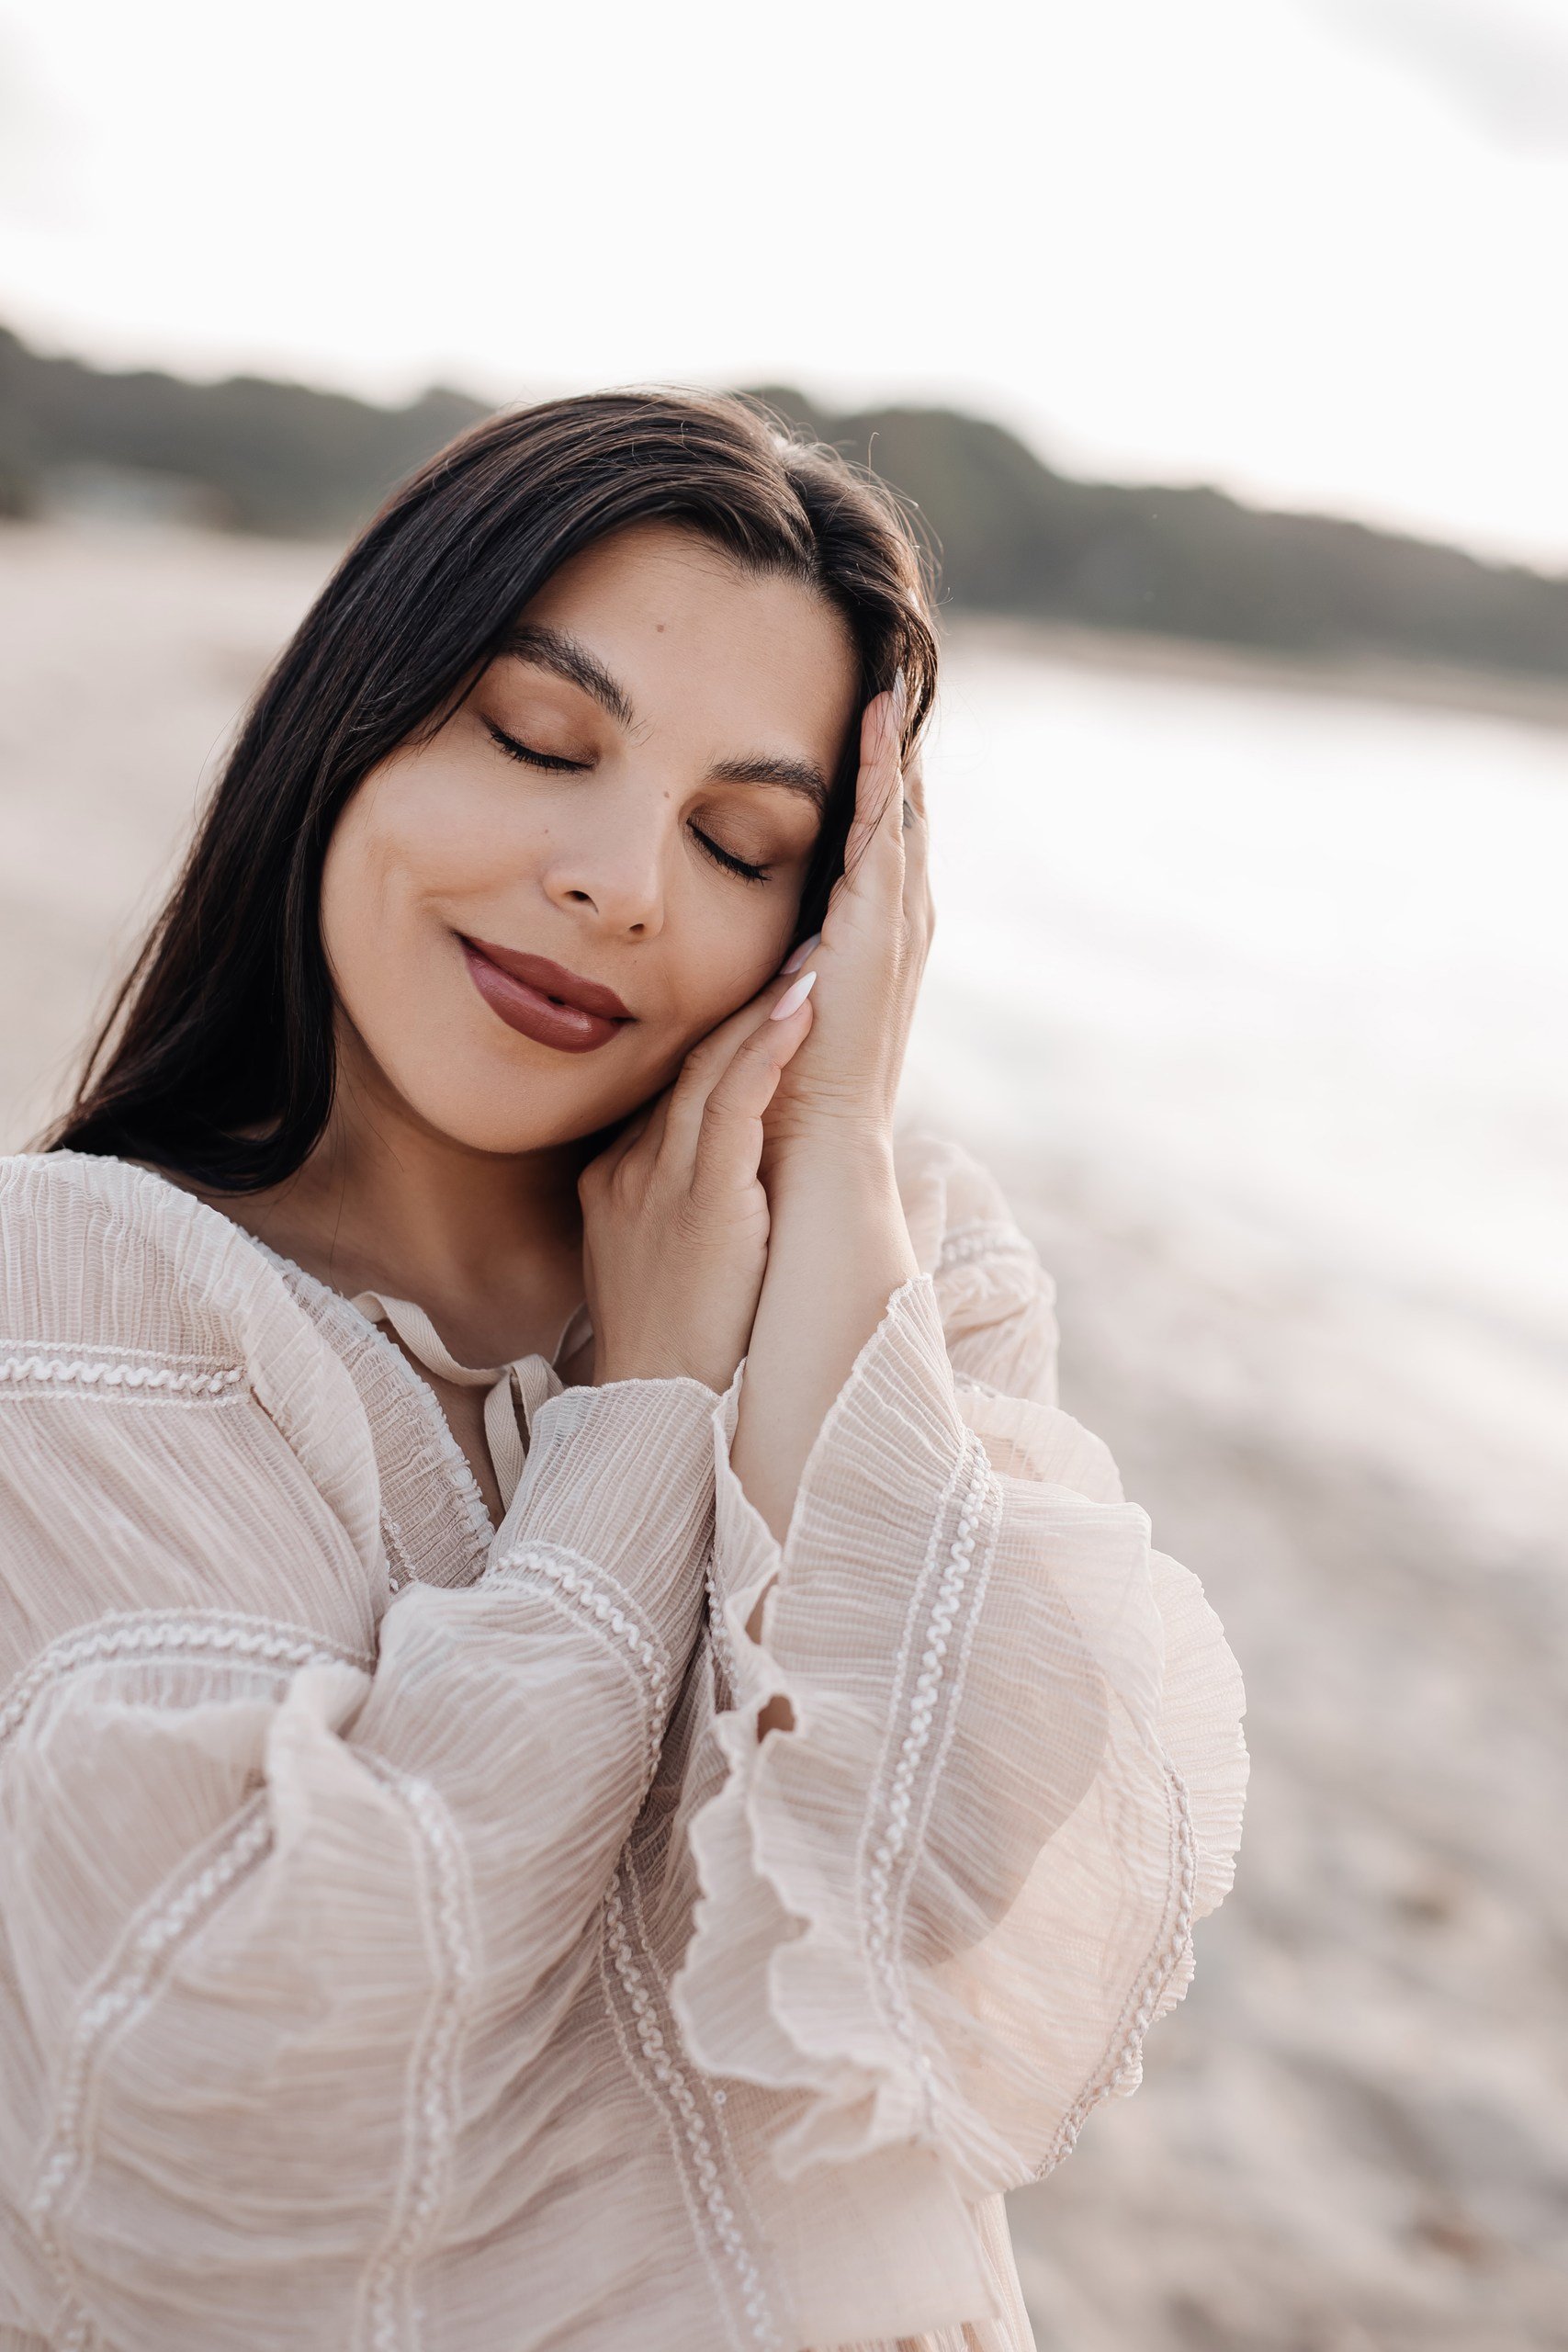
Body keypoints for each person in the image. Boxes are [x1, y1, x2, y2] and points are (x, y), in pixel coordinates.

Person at [0, 390, 1247, 2352]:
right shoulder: (86, 1298)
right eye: (535, 736)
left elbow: (954, 1898)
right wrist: (640, 1421)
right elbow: (224, 2083)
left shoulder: (912, 1258)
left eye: (741, 837)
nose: (619, 880)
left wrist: (830, 1152)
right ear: (348, 714)